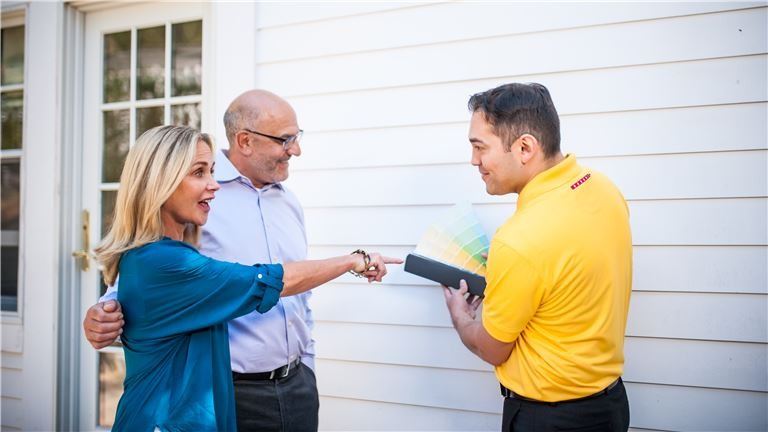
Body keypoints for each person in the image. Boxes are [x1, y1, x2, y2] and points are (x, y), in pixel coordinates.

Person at [84, 90, 396, 431]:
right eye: (285, 139)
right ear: (245, 140)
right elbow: (150, 276)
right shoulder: (197, 204)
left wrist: (306, 365)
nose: (295, 150)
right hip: (230, 393)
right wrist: (104, 312)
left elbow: (299, 297)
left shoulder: (288, 203)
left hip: (297, 385)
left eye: (297, 137)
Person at [443, 83, 632, 431]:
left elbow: (493, 350)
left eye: (480, 147)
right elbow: (569, 267)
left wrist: (461, 315)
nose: (474, 160)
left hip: (549, 420)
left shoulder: (520, 240)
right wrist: (517, 268)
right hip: (611, 407)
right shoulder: (603, 188)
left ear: (525, 147)